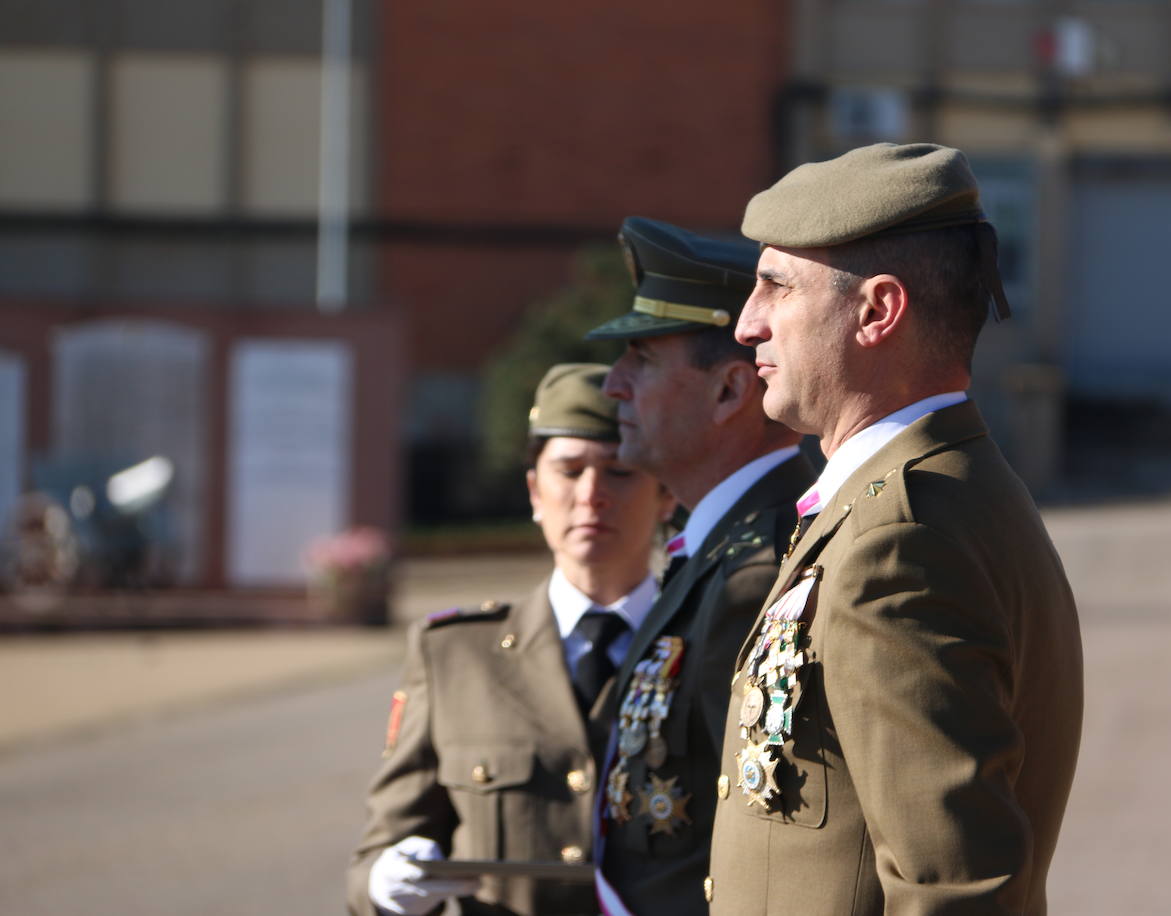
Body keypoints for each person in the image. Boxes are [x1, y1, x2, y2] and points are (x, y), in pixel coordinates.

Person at [706, 143, 1084, 915]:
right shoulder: (938, 491)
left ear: (877, 311)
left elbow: (956, 888)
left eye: (775, 288)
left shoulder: (901, 540)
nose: (747, 325)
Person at [347, 363, 676, 916]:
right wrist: (388, 882)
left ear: (666, 495)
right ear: (534, 492)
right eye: (569, 471)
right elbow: (380, 850)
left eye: (619, 471)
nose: (592, 495)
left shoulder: (714, 642)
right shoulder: (454, 654)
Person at [582, 217, 814, 916]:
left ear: (729, 393)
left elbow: (779, 845)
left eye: (643, 360)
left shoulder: (759, 574)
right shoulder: (714, 549)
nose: (613, 386)